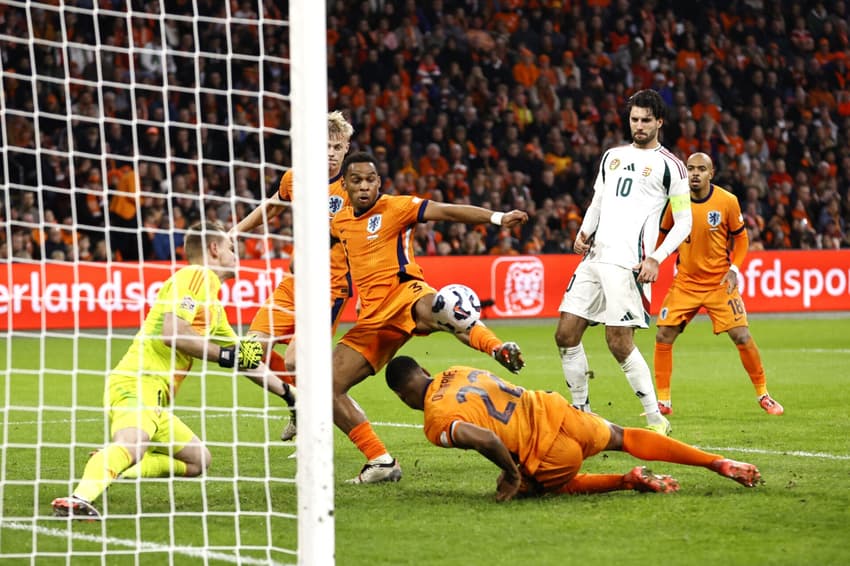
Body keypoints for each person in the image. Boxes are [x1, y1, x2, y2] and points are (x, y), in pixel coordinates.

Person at [52, 221, 293, 520]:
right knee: (134, 444)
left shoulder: (213, 308)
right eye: (232, 248)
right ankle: (78, 499)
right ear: (214, 248)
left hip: (157, 400)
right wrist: (226, 356)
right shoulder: (194, 276)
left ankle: (114, 463)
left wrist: (289, 393)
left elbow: (244, 358)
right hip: (137, 383)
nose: (237, 254)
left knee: (197, 460)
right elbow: (173, 332)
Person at [331, 151, 528, 484]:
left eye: (370, 180)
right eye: (356, 181)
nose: (364, 186)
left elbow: (446, 211)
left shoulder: (397, 207)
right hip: (372, 319)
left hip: (405, 292)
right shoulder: (339, 222)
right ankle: (381, 461)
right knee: (323, 388)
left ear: (378, 182)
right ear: (345, 186)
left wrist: (497, 218)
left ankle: (497, 349)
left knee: (443, 309)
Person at [385, 356, 761, 501]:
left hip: (548, 453)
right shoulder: (457, 370)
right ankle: (717, 463)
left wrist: (512, 474)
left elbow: (483, 437)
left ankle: (627, 480)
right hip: (556, 410)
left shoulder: (434, 422)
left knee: (529, 487)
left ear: (404, 397)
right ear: (424, 372)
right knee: (624, 436)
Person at [555, 89, 693, 435]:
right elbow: (598, 199)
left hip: (628, 263)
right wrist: (584, 232)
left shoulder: (671, 167)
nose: (640, 125)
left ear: (659, 122)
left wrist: (656, 258)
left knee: (618, 342)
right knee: (565, 334)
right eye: (635, 119)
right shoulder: (611, 156)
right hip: (595, 255)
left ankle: (654, 417)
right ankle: (582, 412)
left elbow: (684, 221)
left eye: (647, 120)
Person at [232, 111, 354, 441]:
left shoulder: (354, 187)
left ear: (346, 149)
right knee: (247, 356)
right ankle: (300, 403)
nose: (330, 153)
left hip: (329, 288)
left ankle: (325, 415)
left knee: (294, 358)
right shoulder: (296, 178)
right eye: (325, 146)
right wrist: (234, 232)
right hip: (293, 284)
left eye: (337, 146)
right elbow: (272, 206)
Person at [654, 152, 784, 416]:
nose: (695, 173)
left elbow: (742, 239)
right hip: (686, 283)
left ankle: (764, 395)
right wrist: (653, 261)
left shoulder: (727, 201)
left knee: (742, 335)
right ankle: (663, 402)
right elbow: (663, 235)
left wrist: (735, 268)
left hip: (719, 283)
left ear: (711, 173)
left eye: (701, 169)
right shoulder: (676, 202)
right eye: (690, 168)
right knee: (663, 335)